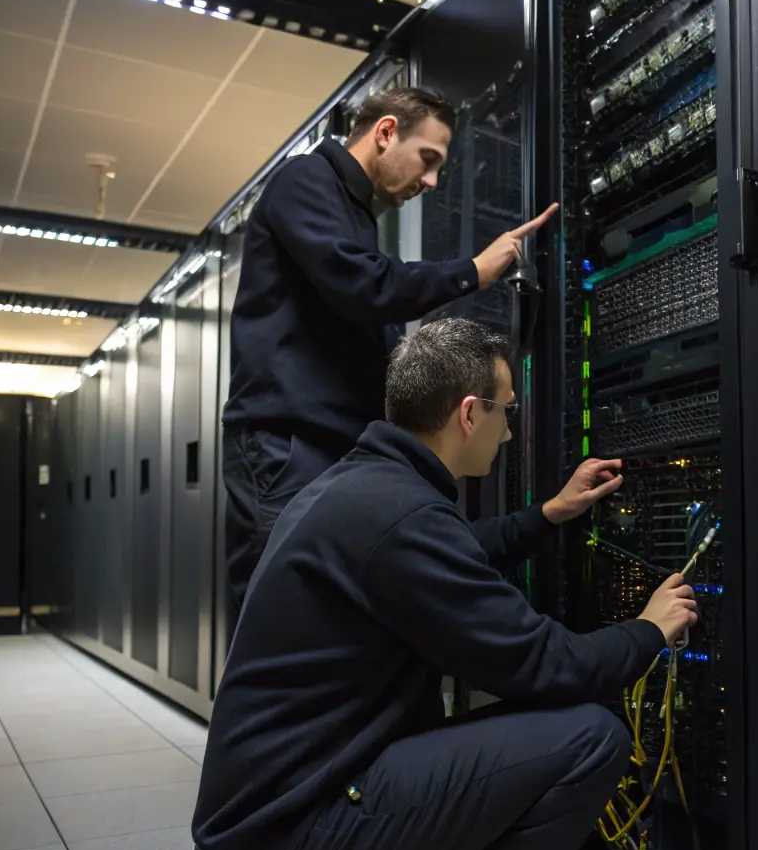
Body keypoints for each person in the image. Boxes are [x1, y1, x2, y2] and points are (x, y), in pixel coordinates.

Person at [178, 318, 698, 850]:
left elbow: (446, 558)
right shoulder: (403, 516)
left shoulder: (357, 487)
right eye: (506, 410)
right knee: (588, 737)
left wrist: (546, 516)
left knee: (482, 780)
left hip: (266, 826)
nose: (512, 430)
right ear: (466, 413)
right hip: (307, 830)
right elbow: (543, 663)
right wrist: (646, 631)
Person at [221, 84, 558, 605]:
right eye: (428, 159)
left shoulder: (354, 211)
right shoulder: (306, 180)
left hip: (327, 441)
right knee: (282, 605)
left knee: (327, 607)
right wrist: (473, 271)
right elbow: (365, 287)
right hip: (286, 443)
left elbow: (363, 315)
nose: (431, 180)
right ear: (385, 132)